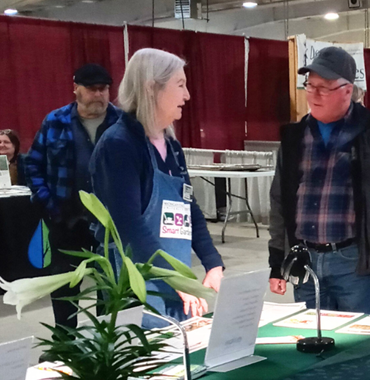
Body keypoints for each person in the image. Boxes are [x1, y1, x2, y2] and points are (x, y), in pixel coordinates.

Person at [91, 48, 223, 322]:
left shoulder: (172, 146)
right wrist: (177, 280)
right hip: (133, 287)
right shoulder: (119, 145)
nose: (187, 95)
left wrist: (213, 263)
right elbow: (129, 226)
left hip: (172, 282)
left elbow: (189, 208)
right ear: (152, 88)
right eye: (180, 85)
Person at [267, 46, 370, 314]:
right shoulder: (295, 137)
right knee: (310, 344)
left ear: (347, 90)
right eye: (310, 86)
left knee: (360, 345)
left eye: (324, 87)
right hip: (304, 261)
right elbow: (279, 200)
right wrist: (276, 261)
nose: (314, 94)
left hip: (355, 262)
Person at [26, 63, 123, 332]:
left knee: (111, 282)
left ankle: (109, 340)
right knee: (65, 282)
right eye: (91, 89)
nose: (98, 95)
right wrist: (49, 204)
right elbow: (33, 165)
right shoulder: (54, 122)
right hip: (66, 219)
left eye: (103, 89)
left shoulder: (123, 123)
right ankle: (66, 341)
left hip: (111, 224)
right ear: (75, 89)